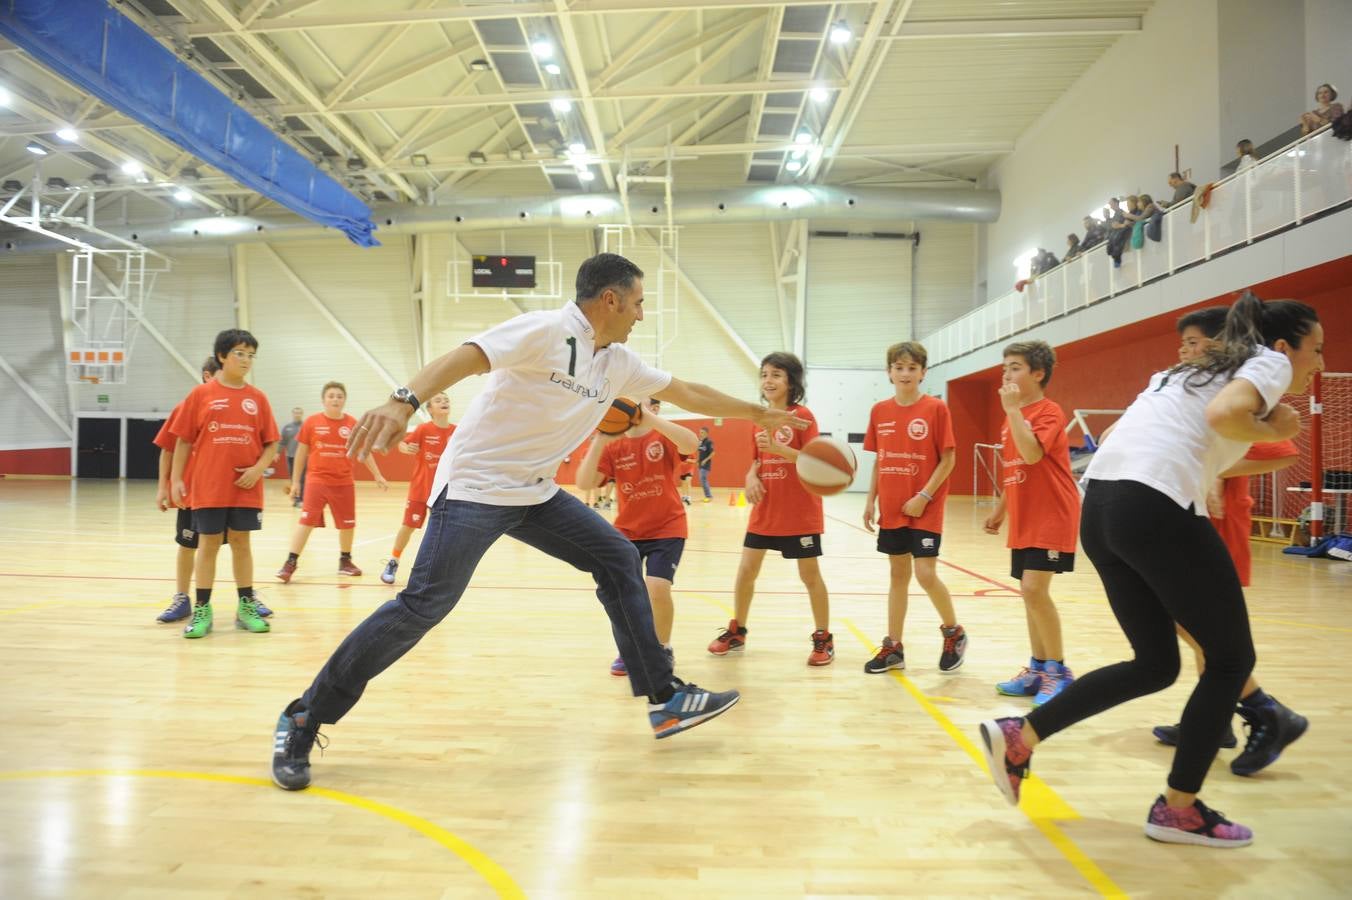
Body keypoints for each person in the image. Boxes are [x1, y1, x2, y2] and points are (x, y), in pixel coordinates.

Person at [271, 253, 806, 792]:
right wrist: (401, 401)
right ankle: (303, 717)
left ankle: (665, 699)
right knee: (422, 607)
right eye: (638, 303)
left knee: (617, 557)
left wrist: (758, 413)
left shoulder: (616, 362)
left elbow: (688, 393)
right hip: (476, 488)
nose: (642, 315)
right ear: (611, 300)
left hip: (533, 492)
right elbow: (467, 356)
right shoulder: (546, 330)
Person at [979, 293, 1323, 848]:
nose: (1319, 362)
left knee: (1157, 663)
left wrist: (1248, 437)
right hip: (1154, 505)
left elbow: (1120, 438)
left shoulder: (1178, 372)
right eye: (1316, 348)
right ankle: (1180, 810)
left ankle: (1022, 735)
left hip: (1104, 509)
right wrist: (1272, 424)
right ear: (1282, 345)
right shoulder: (1269, 363)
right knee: (1231, 659)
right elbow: (1222, 416)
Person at [1149, 307, 1307, 775]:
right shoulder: (1188, 394)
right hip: (1179, 517)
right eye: (1182, 345)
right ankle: (1216, 721)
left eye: (1194, 343)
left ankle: (1251, 713)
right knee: (1192, 627)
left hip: (1218, 526)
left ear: (1222, 345)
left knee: (1206, 632)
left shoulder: (1242, 400)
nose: (1186, 352)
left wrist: (1219, 470)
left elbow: (1283, 451)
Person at [707, 352, 834, 666]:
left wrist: (779, 448)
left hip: (800, 512)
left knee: (809, 575)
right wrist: (750, 476)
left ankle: (823, 638)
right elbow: (756, 460)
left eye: (776, 374)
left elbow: (813, 460)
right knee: (746, 571)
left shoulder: (803, 415)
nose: (768, 380)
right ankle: (738, 630)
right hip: (766, 511)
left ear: (791, 381)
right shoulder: (759, 418)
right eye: (764, 374)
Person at [983, 341, 1080, 707]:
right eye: (1005, 367)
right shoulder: (1013, 417)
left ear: (1038, 374)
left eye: (1016, 367)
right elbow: (1016, 469)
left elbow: (1032, 453)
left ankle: (1058, 672)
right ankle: (1038, 668)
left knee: (1035, 590)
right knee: (1028, 593)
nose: (1007, 374)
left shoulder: (1048, 411)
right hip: (1024, 515)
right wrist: (1001, 509)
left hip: (1053, 513)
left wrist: (1011, 412)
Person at [861, 341, 967, 674]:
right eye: (899, 367)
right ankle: (893, 647)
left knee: (924, 573)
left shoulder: (936, 408)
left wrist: (923, 496)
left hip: (925, 505)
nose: (905, 373)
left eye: (912, 368)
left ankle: (954, 632)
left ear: (923, 372)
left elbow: (949, 458)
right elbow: (880, 460)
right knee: (897, 575)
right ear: (889, 372)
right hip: (892, 507)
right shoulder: (879, 411)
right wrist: (869, 500)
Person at [169, 329, 279, 639]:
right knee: (208, 545)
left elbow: (271, 444)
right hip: (208, 486)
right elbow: (183, 442)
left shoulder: (258, 398)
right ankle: (202, 610)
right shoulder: (201, 394)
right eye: (240, 353)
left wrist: (258, 469)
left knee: (242, 543)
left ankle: (246, 607)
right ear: (222, 356)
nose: (246, 360)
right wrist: (177, 479)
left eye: (250, 355)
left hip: (245, 488)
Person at [576, 396, 697, 676]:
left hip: (668, 526)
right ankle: (629, 649)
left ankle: (662, 647)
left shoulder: (662, 435)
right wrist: (600, 438)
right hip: (628, 530)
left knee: (656, 587)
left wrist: (650, 418)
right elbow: (584, 482)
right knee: (624, 593)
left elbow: (691, 443)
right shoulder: (614, 444)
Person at [277, 382, 388, 582]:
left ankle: (345, 561)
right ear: (323, 400)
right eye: (331, 396)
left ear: (344, 400)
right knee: (306, 521)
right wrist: (295, 482)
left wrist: (377, 475)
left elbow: (365, 450)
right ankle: (290, 562)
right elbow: (301, 453)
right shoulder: (311, 422)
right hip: (317, 481)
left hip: (344, 482)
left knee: (347, 524)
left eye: (339, 396)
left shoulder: (352, 423)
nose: (335, 399)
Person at [154, 355, 224, 623]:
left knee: (237, 544)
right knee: (187, 545)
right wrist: (164, 487)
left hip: (221, 493)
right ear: (208, 375)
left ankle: (247, 596)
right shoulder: (186, 407)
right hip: (192, 495)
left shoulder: (235, 406)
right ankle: (182, 597)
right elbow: (167, 450)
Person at [381, 393, 456, 585]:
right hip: (420, 490)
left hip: (444, 493)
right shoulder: (423, 429)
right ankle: (393, 561)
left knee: (441, 532)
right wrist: (405, 448)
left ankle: (433, 571)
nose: (444, 402)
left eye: (446, 400)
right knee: (408, 527)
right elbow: (402, 444)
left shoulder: (457, 431)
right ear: (430, 409)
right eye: (438, 400)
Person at [280, 407, 305, 508]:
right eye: (295, 413)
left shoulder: (305, 426)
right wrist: (277, 452)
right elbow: (282, 442)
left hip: (302, 458)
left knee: (302, 479)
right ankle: (295, 499)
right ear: (292, 414)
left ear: (302, 414)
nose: (297, 415)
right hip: (289, 456)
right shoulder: (287, 427)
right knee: (293, 479)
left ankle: (301, 499)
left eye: (299, 413)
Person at [697, 426, 715, 502]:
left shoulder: (709, 442)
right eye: (700, 432)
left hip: (706, 464)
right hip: (701, 464)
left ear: (707, 434)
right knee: (702, 480)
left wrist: (705, 460)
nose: (700, 434)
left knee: (703, 479)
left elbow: (713, 453)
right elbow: (700, 452)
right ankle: (707, 496)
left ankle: (709, 496)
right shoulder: (701, 442)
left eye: (702, 432)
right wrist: (698, 461)